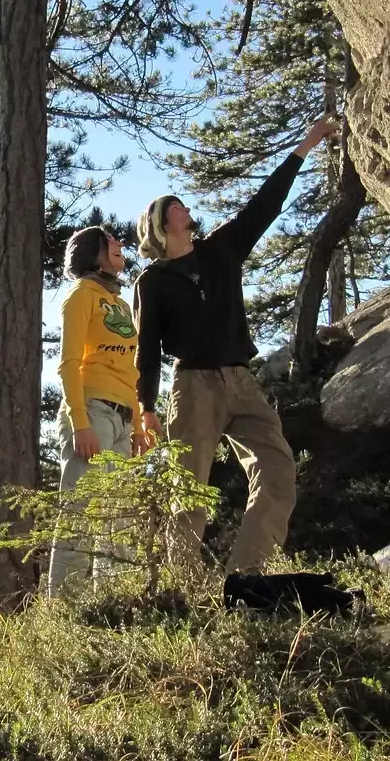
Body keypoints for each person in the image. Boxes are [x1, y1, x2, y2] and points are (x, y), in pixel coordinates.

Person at [132, 116, 337, 573]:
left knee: (279, 468)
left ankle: (246, 575)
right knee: (188, 489)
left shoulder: (221, 249)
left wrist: (307, 143)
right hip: (193, 386)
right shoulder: (154, 281)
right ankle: (179, 583)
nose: (186, 209)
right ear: (162, 224)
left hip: (241, 380)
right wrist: (145, 407)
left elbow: (266, 204)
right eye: (177, 206)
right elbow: (146, 348)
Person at [49, 226, 152, 593]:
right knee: (80, 515)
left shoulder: (121, 304)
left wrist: (138, 428)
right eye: (111, 241)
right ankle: (64, 616)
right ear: (94, 252)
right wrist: (80, 424)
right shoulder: (81, 295)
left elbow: (131, 372)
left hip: (123, 418)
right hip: (91, 411)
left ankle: (113, 608)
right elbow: (68, 363)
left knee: (118, 520)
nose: (119, 244)